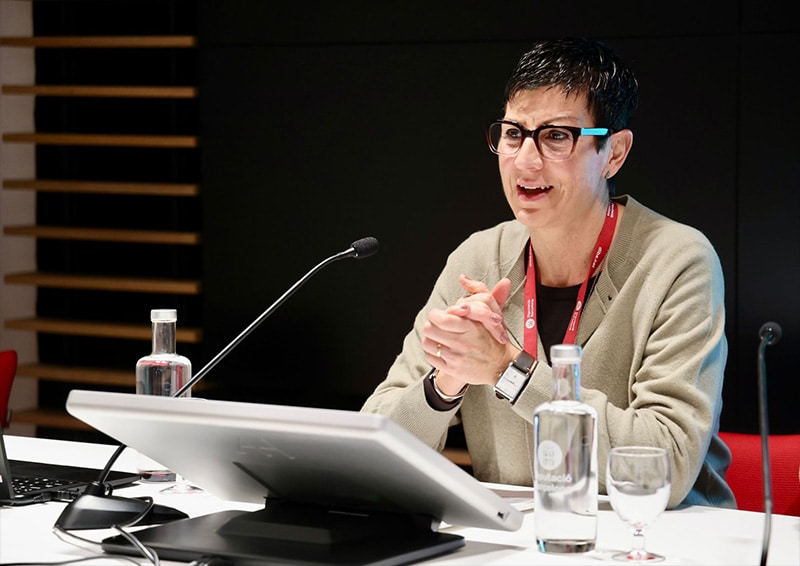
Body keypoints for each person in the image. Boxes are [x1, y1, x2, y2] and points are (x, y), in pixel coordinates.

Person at [361, 37, 734, 509]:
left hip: (654, 535)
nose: (525, 160)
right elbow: (375, 444)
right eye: (513, 134)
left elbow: (668, 462)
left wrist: (506, 369)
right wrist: (445, 382)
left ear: (614, 153)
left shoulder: (678, 261)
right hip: (517, 535)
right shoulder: (479, 259)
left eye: (556, 136)